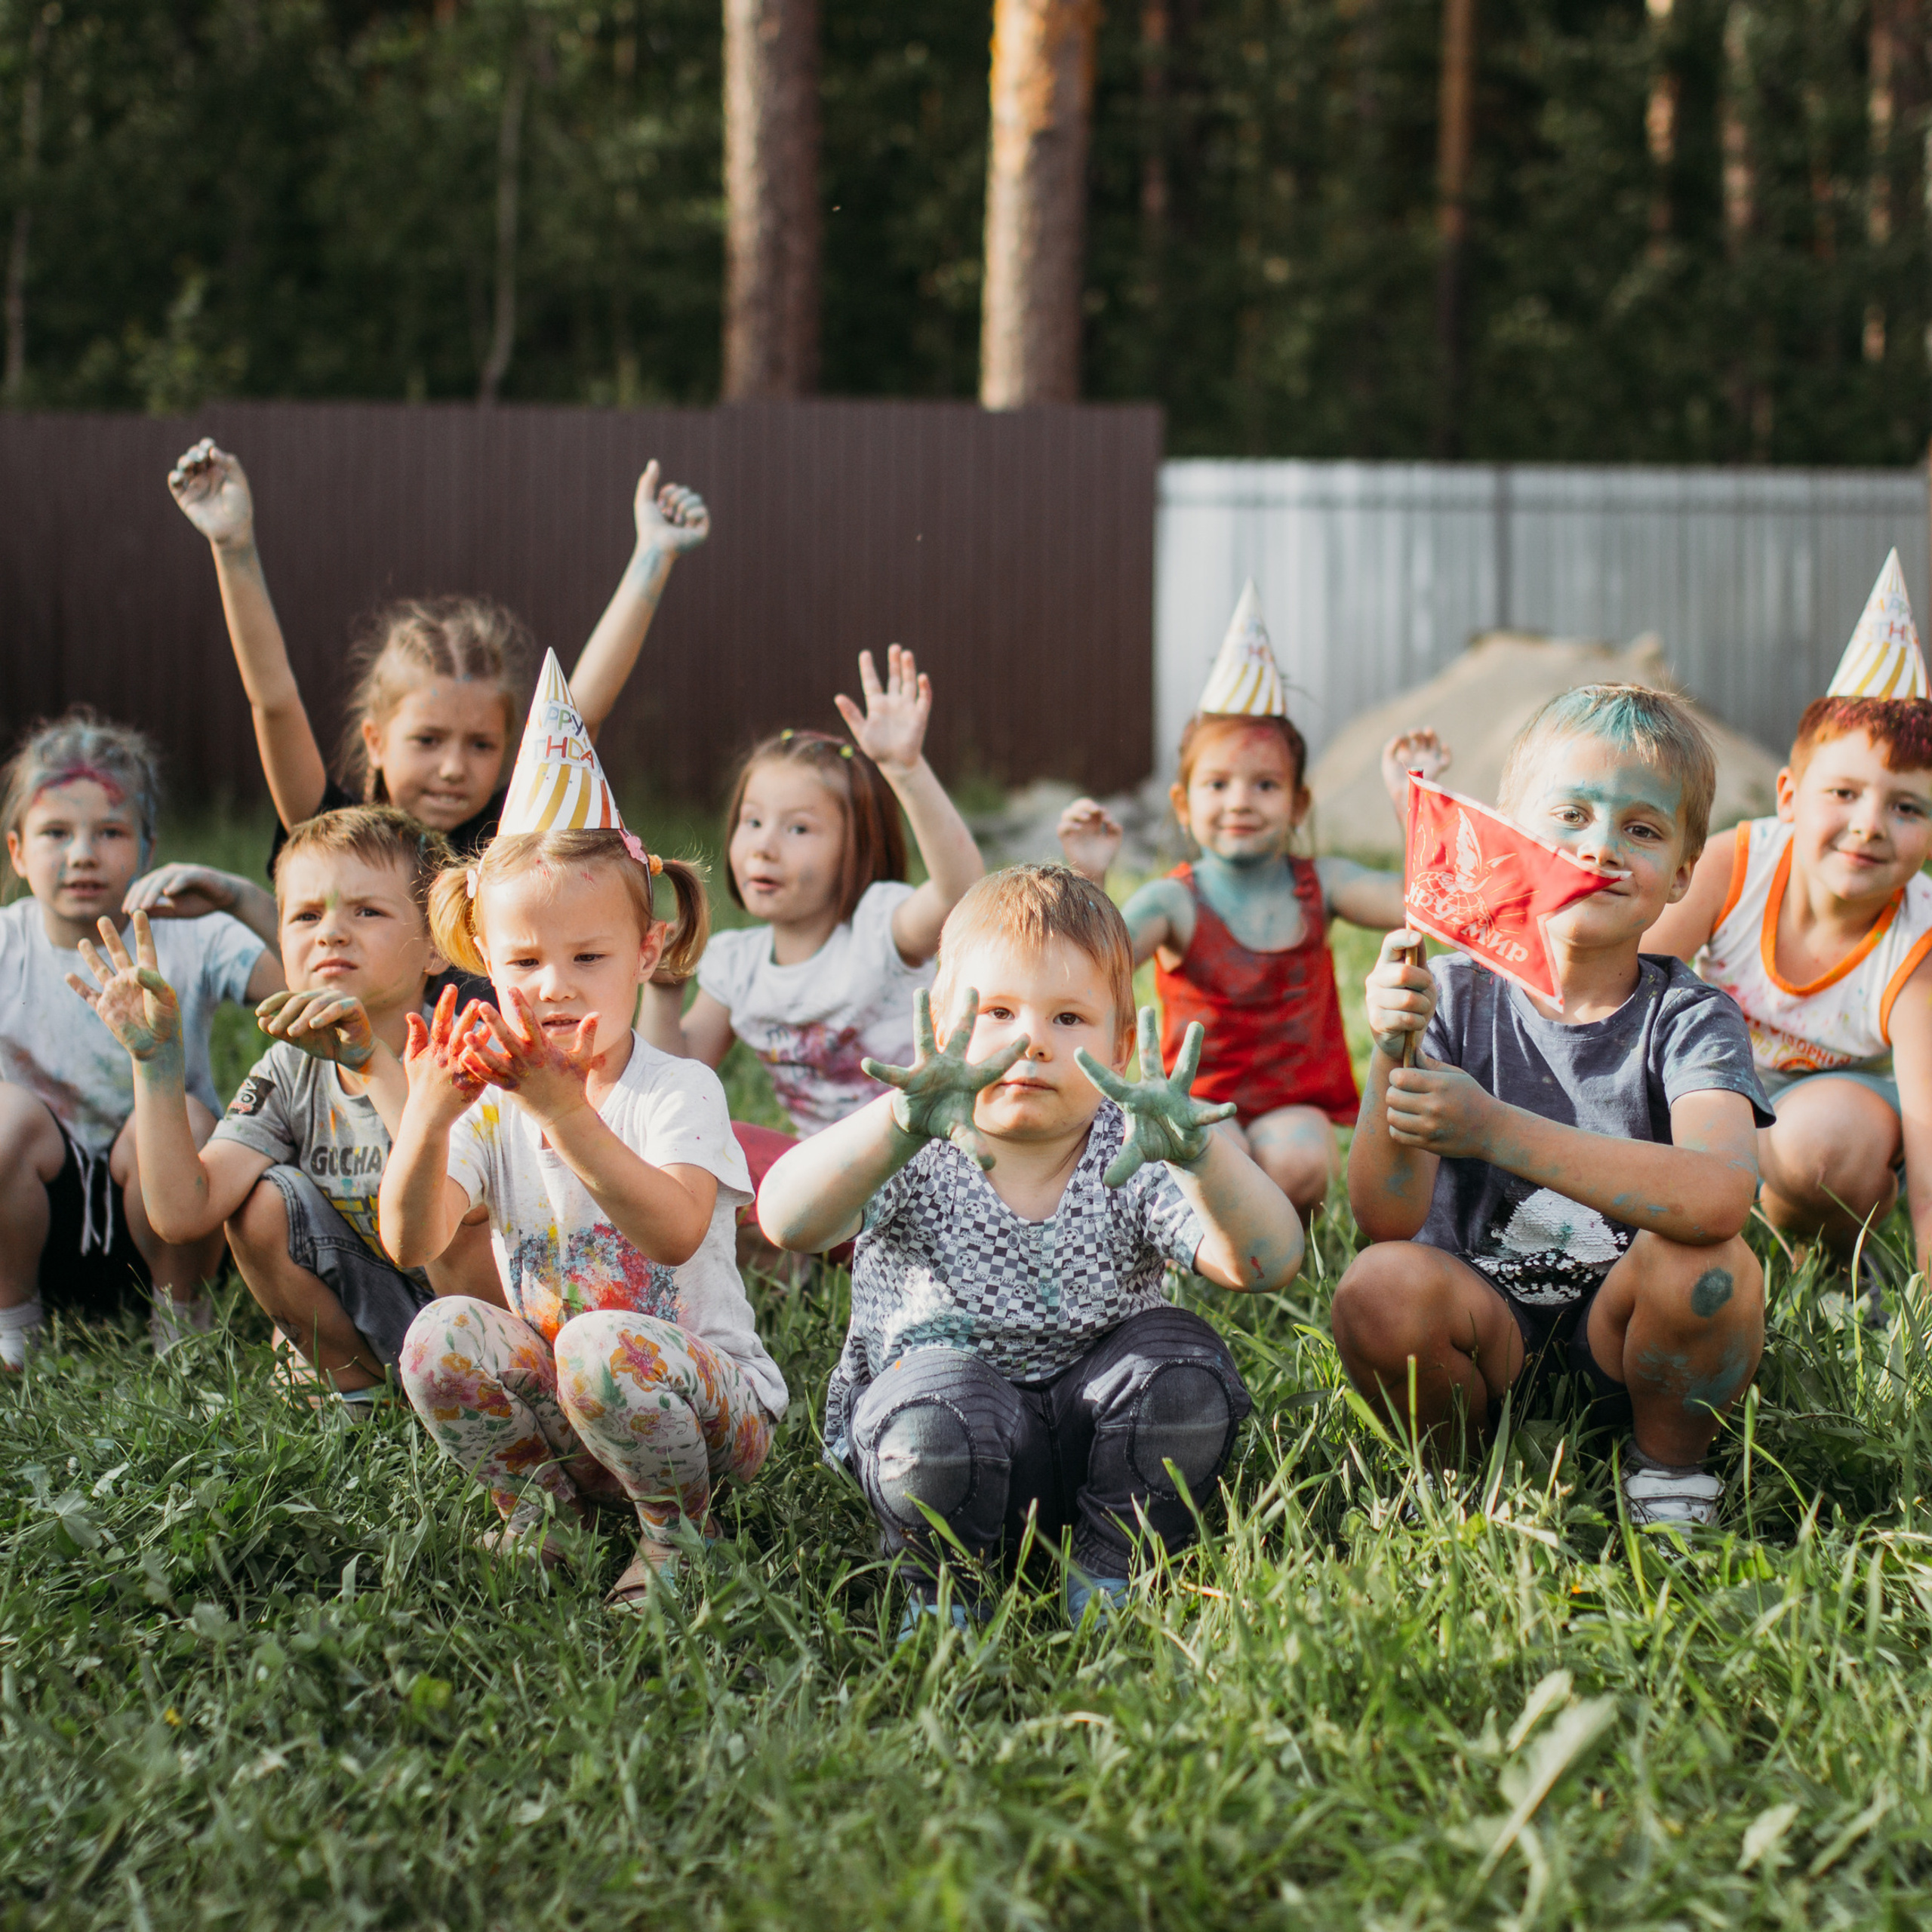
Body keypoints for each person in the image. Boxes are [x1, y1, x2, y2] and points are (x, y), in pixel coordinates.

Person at [755, 865, 1303, 1630]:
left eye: (1068, 1019)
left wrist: (1198, 1156)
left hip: (1103, 1443)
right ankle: (948, 1590)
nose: (1031, 1042)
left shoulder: (1130, 1148)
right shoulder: (915, 1143)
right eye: (999, 1012)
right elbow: (787, 1221)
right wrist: (895, 1123)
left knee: (1184, 1362)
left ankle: (1113, 1564)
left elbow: (1268, 1263)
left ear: (1121, 1041)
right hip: (945, 1436)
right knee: (937, 1416)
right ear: (942, 1020)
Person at [378, 656, 785, 1606]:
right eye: (523, 959)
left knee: (604, 1341)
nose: (554, 984)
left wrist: (564, 1112)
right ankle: (543, 1510)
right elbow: (413, 1240)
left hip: (709, 1409)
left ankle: (683, 1533)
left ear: (645, 953)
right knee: (438, 1334)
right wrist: (429, 1117)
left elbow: (675, 1231)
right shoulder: (487, 1106)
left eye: (587, 956)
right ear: (483, 959)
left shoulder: (674, 1087)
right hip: (574, 1402)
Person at [1331, 684, 1774, 1530]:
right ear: (1509, 835)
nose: (1599, 847)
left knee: (1709, 1267)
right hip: (1480, 1328)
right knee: (1377, 1288)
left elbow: (1721, 1195)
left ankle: (1666, 1474)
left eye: (1640, 829)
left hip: (1628, 1335)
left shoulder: (1688, 1016)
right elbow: (1385, 1217)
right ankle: (1458, 1482)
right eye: (1570, 813)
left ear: (1682, 872)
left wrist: (1495, 1129)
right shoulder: (1453, 997)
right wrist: (1392, 1051)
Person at [72, 806, 500, 1416]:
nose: (330, 933)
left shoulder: (465, 1048)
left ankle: (469, 1399)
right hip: (380, 1310)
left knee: (447, 1206)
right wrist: (158, 1063)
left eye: (367, 911)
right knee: (260, 1204)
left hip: (484, 1326)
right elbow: (182, 1211)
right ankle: (363, 1394)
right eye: (306, 915)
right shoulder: (289, 1069)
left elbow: (459, 1192)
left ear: (435, 947)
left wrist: (372, 1062)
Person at [1059, 581, 1449, 1220]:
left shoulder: (1320, 882)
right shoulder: (1174, 900)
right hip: (1198, 1097)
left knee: (1300, 1162)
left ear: (1298, 805)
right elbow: (1096, 972)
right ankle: (1220, 1235)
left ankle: (1278, 1231)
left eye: (1264, 785)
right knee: (1217, 1158)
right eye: (1218, 784)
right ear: (1184, 805)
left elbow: (1416, 903)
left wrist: (1416, 805)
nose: (1240, 801)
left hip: (1293, 1104)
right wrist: (1089, 880)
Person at [165, 436, 709, 872]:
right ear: (374, 740)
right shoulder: (330, 832)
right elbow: (274, 699)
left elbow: (581, 709)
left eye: (481, 744)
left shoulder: (506, 833)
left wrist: (654, 554)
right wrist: (231, 546)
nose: (453, 768)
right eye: (428, 740)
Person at [1643, 552, 1932, 1289]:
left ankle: (1831, 1252)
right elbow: (1629, 994)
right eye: (1842, 792)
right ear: (1789, 796)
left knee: (1823, 1148)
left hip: (1839, 1113)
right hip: (1709, 1088)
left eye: (1906, 806)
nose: (1869, 826)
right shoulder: (1734, 864)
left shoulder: (1917, 945)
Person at [640, 643, 984, 1200]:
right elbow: (670, 1087)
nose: (764, 848)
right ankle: (806, 1256)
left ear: (859, 850)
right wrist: (663, 986)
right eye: (752, 822)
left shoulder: (881, 931)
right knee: (695, 1142)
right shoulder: (738, 963)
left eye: (798, 829)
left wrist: (905, 768)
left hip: (928, 1176)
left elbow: (960, 891)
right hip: (822, 1192)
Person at [2, 709, 284, 1364]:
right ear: (16, 850)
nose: (82, 854)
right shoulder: (6, 943)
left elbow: (318, 991)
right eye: (55, 832)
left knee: (186, 1114)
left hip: (167, 1217)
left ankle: (181, 1319)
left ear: (148, 848)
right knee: (3, 1117)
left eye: (109, 831)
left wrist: (240, 897)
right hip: (31, 1225)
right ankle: (13, 1322)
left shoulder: (191, 935)